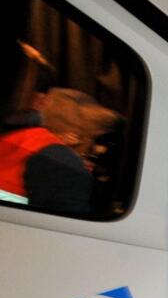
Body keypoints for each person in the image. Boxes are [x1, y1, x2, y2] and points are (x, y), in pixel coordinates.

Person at [0, 85, 118, 214]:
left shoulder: (24, 136)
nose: (95, 150)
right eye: (95, 139)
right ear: (76, 136)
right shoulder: (66, 165)